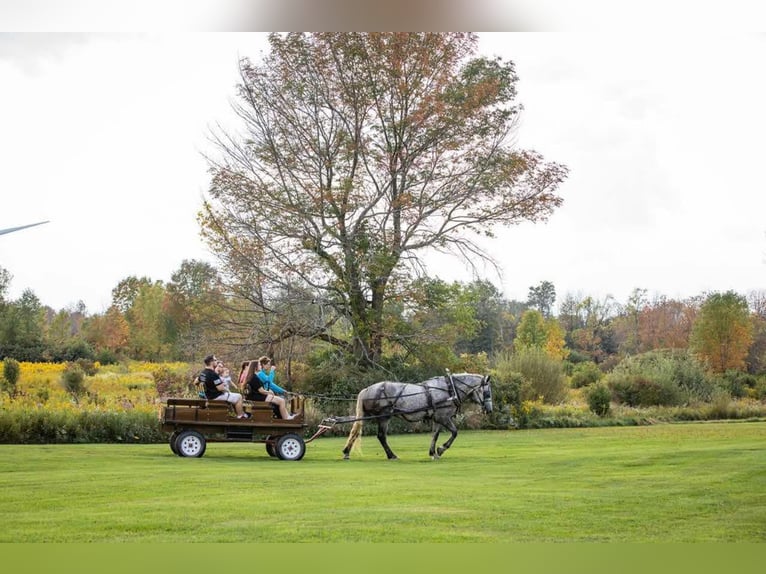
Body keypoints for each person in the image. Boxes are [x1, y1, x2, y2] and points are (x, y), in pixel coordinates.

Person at [198, 354, 251, 419]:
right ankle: (241, 416)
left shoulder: (203, 373)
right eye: (215, 360)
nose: (216, 362)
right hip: (216, 397)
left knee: (234, 396)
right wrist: (227, 390)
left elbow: (197, 382)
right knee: (239, 396)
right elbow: (220, 388)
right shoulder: (213, 374)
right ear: (211, 362)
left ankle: (239, 414)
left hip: (209, 396)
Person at [247, 356, 296, 420]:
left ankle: (286, 416)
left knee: (281, 400)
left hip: (260, 395)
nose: (260, 366)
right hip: (259, 396)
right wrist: (272, 371)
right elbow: (268, 383)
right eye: (259, 365)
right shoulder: (258, 375)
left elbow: (270, 385)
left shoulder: (257, 375)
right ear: (256, 367)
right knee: (282, 401)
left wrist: (282, 390)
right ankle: (286, 418)